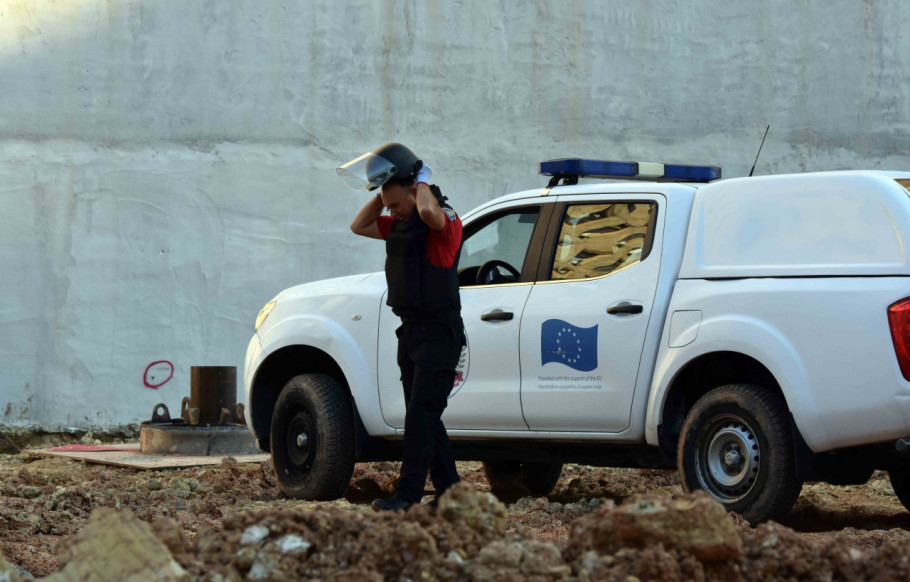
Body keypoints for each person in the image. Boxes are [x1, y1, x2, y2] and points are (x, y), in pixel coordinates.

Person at [341, 143, 465, 511]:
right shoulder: (400, 224)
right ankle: (452, 496)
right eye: (388, 206)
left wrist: (420, 181)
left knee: (421, 417)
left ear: (415, 189)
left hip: (440, 332)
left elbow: (428, 211)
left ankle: (407, 497)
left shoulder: (444, 221)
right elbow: (359, 225)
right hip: (411, 332)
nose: (390, 212)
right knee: (425, 417)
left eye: (395, 204)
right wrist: (385, 194)